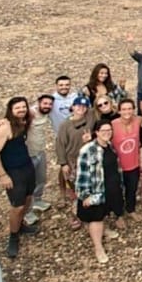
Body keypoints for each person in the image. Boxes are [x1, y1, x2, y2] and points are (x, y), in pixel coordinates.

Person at [74, 119, 124, 265]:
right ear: (96, 132)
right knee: (95, 218)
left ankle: (105, 229)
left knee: (104, 212)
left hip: (110, 188)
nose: (107, 133)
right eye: (103, 131)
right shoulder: (87, 150)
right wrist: (85, 195)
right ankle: (98, 247)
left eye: (109, 130)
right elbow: (81, 174)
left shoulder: (110, 146)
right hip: (95, 191)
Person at [0, 97, 39, 259]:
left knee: (28, 199)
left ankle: (20, 226)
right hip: (13, 172)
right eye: (17, 108)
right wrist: (3, 175)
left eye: (23, 107)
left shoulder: (24, 121)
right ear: (10, 110)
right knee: (17, 206)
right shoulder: (4, 128)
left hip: (27, 166)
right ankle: (13, 236)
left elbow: (35, 110)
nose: (21, 110)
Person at [55, 95, 91, 226]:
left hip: (87, 158)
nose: (81, 108)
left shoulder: (90, 118)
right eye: (78, 106)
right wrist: (63, 163)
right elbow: (60, 144)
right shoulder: (65, 124)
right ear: (73, 107)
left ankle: (88, 213)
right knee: (75, 189)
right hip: (72, 160)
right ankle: (76, 215)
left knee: (88, 188)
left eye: (84, 106)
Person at [111, 98, 141, 217]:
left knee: (132, 188)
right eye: (123, 109)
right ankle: (118, 214)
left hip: (134, 162)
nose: (127, 112)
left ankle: (131, 209)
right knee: (117, 191)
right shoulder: (113, 124)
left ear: (133, 110)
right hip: (118, 165)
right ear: (119, 111)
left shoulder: (138, 120)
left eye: (129, 109)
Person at [27, 93, 54, 217]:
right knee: (28, 183)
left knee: (41, 179)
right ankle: (27, 212)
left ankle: (37, 200)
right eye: (45, 103)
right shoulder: (30, 113)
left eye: (50, 104)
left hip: (40, 151)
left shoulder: (46, 113)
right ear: (38, 102)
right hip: (28, 154)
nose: (47, 106)